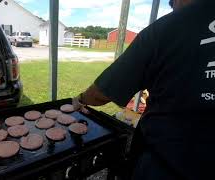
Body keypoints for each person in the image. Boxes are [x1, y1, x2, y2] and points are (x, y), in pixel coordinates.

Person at [72, 0, 215, 179]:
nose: (173, 8)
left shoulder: (169, 26)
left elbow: (102, 92)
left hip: (167, 162)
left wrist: (81, 99)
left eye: (171, 4)